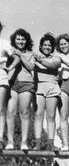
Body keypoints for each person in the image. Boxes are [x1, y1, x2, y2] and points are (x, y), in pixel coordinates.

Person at [6, 29, 35, 150]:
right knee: (11, 111)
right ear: (14, 40)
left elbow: (31, 67)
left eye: (23, 39)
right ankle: (10, 141)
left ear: (26, 40)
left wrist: (21, 55)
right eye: (18, 39)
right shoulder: (9, 51)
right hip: (11, 82)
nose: (21, 41)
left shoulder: (30, 54)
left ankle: (24, 142)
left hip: (26, 83)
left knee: (25, 112)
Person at [33, 33, 61, 151]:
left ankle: (50, 143)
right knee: (38, 115)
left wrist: (40, 61)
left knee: (51, 116)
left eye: (49, 45)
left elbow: (54, 65)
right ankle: (37, 143)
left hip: (52, 88)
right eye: (45, 45)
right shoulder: (35, 57)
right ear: (41, 46)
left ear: (52, 47)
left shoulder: (56, 58)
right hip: (39, 87)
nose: (47, 47)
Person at [0, 22, 20, 150]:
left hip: (1, 76)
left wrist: (8, 68)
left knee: (0, 108)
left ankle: (0, 138)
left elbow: (16, 57)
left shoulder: (4, 43)